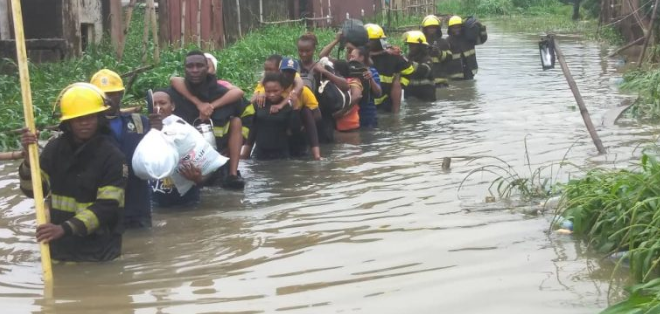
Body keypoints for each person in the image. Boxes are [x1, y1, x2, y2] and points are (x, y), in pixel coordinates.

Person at [19, 83, 126, 262]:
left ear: (99, 119)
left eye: (90, 117)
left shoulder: (113, 157)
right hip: (60, 250)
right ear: (67, 122)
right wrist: (29, 161)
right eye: (78, 119)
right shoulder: (54, 149)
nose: (84, 123)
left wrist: (64, 229)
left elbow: (108, 207)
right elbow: (34, 191)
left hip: (99, 252)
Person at [167, 50, 246, 189]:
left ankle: (233, 174)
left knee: (236, 122)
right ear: (184, 69)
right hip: (186, 160)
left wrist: (211, 106)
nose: (195, 70)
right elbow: (174, 80)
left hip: (218, 156)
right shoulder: (175, 94)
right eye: (190, 66)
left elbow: (241, 99)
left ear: (208, 69)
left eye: (199, 66)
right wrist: (198, 103)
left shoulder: (220, 92)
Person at [90, 69, 151, 229]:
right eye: (102, 95)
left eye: (112, 94)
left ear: (121, 94)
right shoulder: (86, 127)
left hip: (138, 203)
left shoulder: (140, 121)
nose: (108, 99)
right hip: (104, 205)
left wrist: (157, 131)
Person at [148, 89, 206, 207]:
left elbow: (207, 166)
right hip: (155, 200)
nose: (158, 107)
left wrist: (198, 179)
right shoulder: (142, 130)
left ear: (172, 106)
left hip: (187, 200)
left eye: (162, 103)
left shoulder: (186, 131)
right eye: (154, 104)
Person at [242, 72, 297, 160]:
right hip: (260, 154)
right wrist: (245, 153)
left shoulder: (287, 107)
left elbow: (294, 129)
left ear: (282, 89)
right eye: (268, 91)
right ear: (264, 90)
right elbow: (252, 130)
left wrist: (295, 108)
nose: (272, 94)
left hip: (281, 155)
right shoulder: (259, 104)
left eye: (275, 91)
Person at [363, 23, 415, 113]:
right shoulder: (361, 56)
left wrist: (400, 85)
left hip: (385, 105)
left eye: (370, 40)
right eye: (365, 40)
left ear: (379, 41)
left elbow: (409, 70)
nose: (367, 43)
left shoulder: (392, 56)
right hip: (365, 104)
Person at [446, 15, 488, 80]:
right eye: (454, 28)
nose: (456, 30)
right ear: (450, 29)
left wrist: (481, 28)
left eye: (458, 27)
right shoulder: (448, 41)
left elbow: (482, 40)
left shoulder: (468, 38)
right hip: (455, 74)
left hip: (469, 72)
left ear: (462, 27)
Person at [402, 31, 435, 102]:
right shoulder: (407, 58)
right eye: (409, 45)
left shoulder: (427, 58)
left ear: (420, 46)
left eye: (413, 45)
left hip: (426, 97)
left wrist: (408, 63)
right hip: (410, 96)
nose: (410, 47)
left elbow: (424, 71)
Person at [421, 15, 452, 88]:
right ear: (425, 29)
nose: (432, 30)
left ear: (437, 28)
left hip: (441, 82)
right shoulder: (420, 43)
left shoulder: (443, 42)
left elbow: (449, 58)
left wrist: (439, 53)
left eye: (434, 27)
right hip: (426, 82)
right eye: (429, 27)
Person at [332, 60, 363, 132]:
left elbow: (357, 96)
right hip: (335, 125)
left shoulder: (353, 81)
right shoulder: (332, 82)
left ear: (338, 71)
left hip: (350, 124)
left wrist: (341, 111)